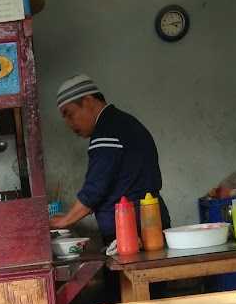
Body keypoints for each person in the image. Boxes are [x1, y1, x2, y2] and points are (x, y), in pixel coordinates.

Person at [50, 74, 170, 245]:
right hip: (150, 223)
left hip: (133, 233)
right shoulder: (124, 122)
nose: (69, 124)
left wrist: (65, 221)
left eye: (69, 114)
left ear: (88, 101)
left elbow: (95, 188)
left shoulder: (106, 132)